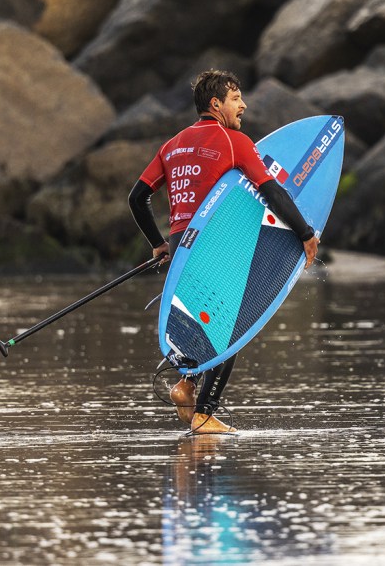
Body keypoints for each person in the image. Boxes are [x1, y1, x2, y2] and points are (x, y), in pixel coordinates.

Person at [129, 69, 319, 434]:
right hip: (215, 246)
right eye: (235, 98)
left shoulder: (172, 145)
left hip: (183, 248)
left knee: (205, 320)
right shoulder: (234, 142)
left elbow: (137, 197)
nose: (243, 105)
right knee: (229, 328)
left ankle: (186, 386)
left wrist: (159, 242)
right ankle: (204, 415)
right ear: (216, 104)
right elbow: (271, 191)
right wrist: (305, 233)